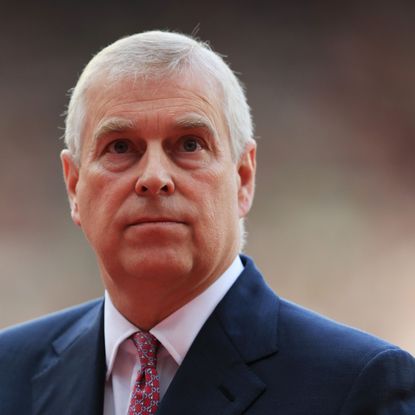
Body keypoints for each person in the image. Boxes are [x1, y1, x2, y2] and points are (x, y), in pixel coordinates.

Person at [0, 30, 414, 415]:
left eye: (189, 144)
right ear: (74, 186)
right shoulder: (8, 372)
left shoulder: (358, 385)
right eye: (121, 147)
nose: (154, 177)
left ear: (243, 178)